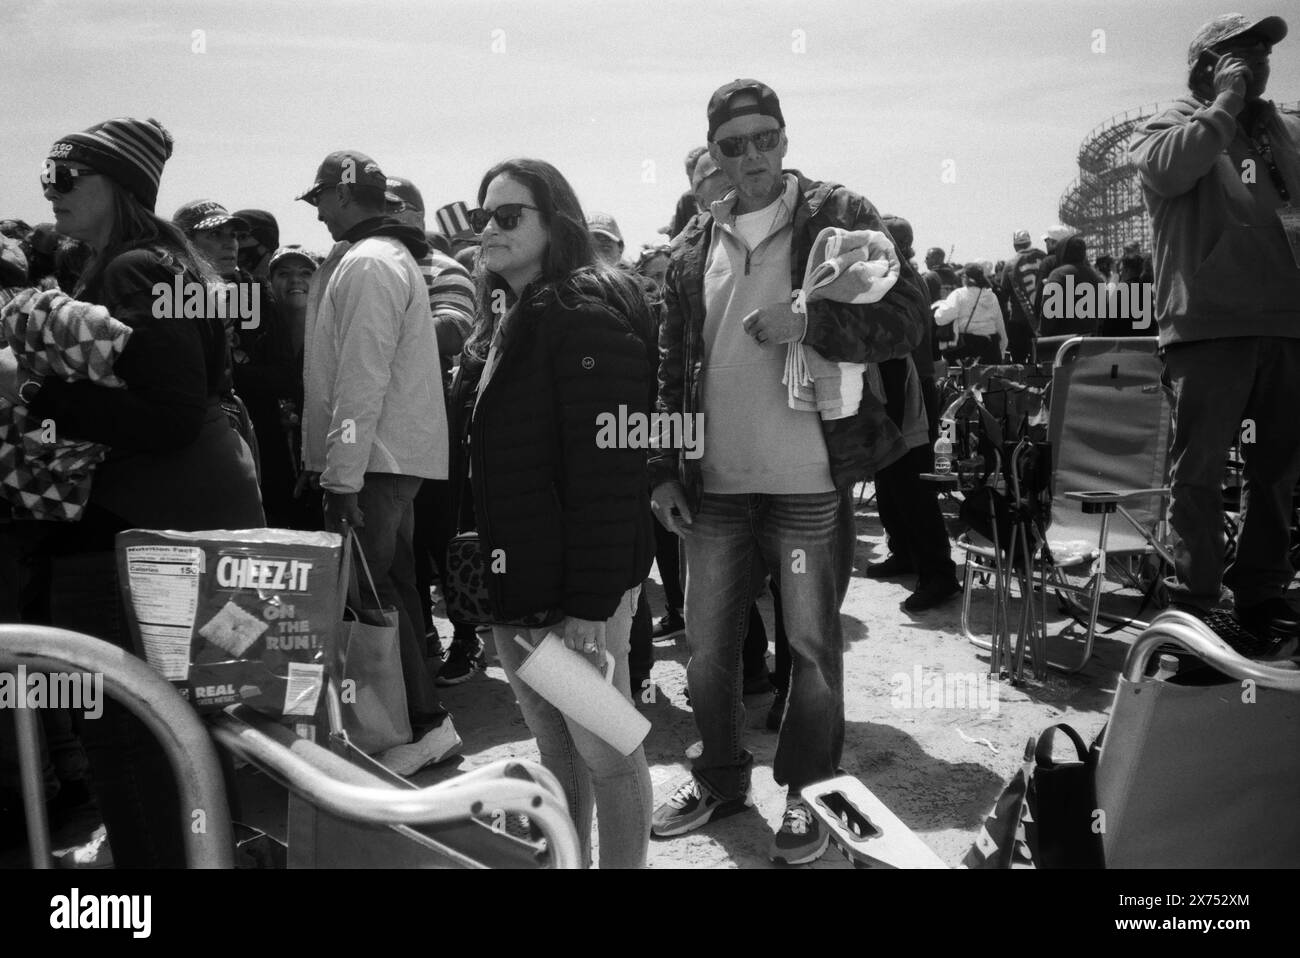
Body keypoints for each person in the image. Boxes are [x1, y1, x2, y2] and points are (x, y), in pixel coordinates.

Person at [649, 79, 928, 863]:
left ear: (784, 137)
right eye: (733, 145)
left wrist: (812, 322)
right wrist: (660, 468)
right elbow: (670, 366)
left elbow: (907, 314)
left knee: (809, 647)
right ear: (713, 153)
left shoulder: (838, 215)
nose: (752, 157)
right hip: (714, 490)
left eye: (764, 138)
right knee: (706, 651)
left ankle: (808, 793)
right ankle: (720, 776)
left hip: (810, 481)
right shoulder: (690, 246)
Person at [8, 117, 264, 866]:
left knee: (130, 737)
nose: (48, 192)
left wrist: (30, 391)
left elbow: (169, 412)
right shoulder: (158, 262)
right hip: (178, 523)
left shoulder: (132, 270)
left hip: (138, 532)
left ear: (117, 185)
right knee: (177, 735)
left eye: (65, 177)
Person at [457, 158, 655, 867]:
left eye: (509, 216)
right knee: (556, 746)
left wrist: (589, 606)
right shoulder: (516, 315)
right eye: (484, 215)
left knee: (607, 749)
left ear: (555, 225)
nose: (489, 228)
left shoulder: (581, 317)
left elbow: (610, 475)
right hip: (522, 585)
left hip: (574, 592)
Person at [1129, 12, 1299, 638]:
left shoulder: (1284, 128)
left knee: (1275, 473)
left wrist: (1261, 116)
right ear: (1205, 64)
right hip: (1207, 328)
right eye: (1241, 51)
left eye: (1264, 50)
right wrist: (1226, 102)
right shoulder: (1169, 126)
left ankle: (1260, 596)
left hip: (1285, 326)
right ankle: (1195, 607)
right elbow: (1170, 172)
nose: (1258, 59)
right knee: (1197, 477)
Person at [296, 150, 461, 773]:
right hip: (386, 456)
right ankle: (417, 721)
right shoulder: (384, 257)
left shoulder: (368, 262)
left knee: (376, 597)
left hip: (374, 460)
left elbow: (360, 379)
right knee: (392, 588)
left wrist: (339, 476)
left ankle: (420, 724)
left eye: (319, 202)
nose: (318, 215)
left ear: (340, 199)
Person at [384, 175, 483, 683]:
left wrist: (382, 321)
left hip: (437, 425)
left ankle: (467, 639)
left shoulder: (442, 268)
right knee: (406, 544)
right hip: (385, 430)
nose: (390, 216)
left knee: (446, 539)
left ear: (418, 216)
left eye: (399, 208)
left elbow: (454, 331)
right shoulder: (370, 264)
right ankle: (422, 634)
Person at [933, 262, 1007, 364]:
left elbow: (941, 318)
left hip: (965, 347)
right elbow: (1000, 326)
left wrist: (939, 307)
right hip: (990, 346)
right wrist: (1001, 351)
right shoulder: (991, 296)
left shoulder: (958, 294)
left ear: (965, 278)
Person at [1036, 235, 1104, 339]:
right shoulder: (1096, 277)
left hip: (1063, 345)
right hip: (1089, 343)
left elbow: (1048, 317)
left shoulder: (1058, 275)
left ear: (1062, 251)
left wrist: (1041, 335)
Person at [999, 229, 1046, 361]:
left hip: (1019, 320)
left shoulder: (1010, 264)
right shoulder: (1044, 257)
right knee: (1044, 360)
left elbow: (1004, 293)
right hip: (1044, 319)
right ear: (1030, 242)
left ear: (1015, 245)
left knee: (1019, 362)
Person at [234, 209, 280, 280]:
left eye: (242, 237)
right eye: (232, 237)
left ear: (266, 240)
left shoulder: (292, 283)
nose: (234, 244)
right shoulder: (238, 287)